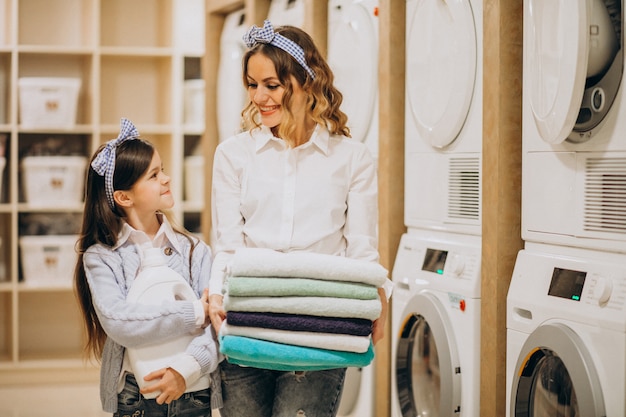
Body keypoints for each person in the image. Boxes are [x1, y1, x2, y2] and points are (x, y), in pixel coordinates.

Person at [209, 20, 391, 417]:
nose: (259, 97)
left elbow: (362, 248)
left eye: (271, 85)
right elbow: (227, 245)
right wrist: (216, 296)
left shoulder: (352, 158)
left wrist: (376, 300)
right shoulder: (232, 155)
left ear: (307, 82)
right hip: (246, 325)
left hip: (320, 331)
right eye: (252, 85)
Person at [74, 118, 222, 416]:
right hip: (136, 397)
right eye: (154, 175)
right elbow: (120, 322)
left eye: (163, 169)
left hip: (195, 392)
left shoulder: (195, 250)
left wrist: (186, 370)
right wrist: (194, 312)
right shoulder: (102, 257)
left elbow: (219, 326)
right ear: (124, 197)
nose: (166, 179)